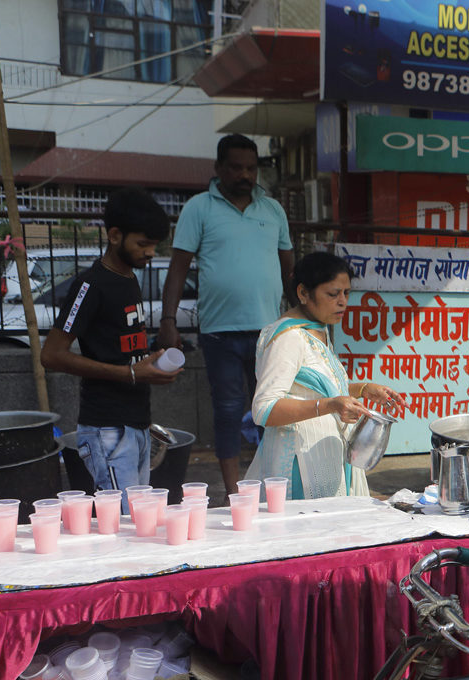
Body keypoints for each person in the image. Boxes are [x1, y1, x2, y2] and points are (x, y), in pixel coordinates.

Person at [159, 134, 294, 494]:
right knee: (229, 411)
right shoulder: (199, 208)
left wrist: (300, 320)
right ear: (219, 169)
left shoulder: (273, 210)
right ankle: (235, 491)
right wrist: (168, 321)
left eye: (251, 168)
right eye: (236, 167)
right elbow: (177, 268)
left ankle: (274, 486)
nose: (245, 175)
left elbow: (289, 270)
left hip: (270, 332)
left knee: (273, 413)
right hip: (220, 332)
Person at [42, 188, 182, 505]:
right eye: (143, 244)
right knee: (126, 523)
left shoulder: (129, 278)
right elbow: (51, 355)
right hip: (107, 429)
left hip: (137, 424)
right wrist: (131, 373)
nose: (150, 252)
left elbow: (123, 348)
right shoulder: (90, 285)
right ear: (115, 235)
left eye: (154, 245)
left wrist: (153, 362)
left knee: (139, 520)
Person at [244, 253, 402, 498]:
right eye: (333, 294)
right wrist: (329, 405)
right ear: (303, 293)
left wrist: (362, 389)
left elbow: (312, 388)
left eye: (347, 293)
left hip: (325, 458)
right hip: (299, 465)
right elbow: (264, 409)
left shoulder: (318, 329)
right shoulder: (288, 338)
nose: (342, 302)